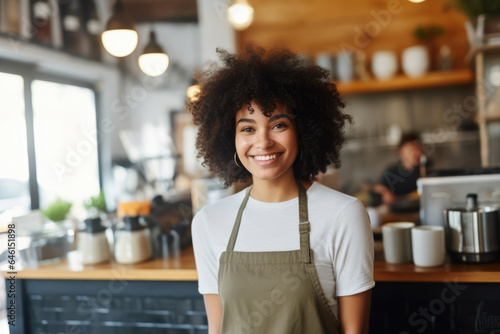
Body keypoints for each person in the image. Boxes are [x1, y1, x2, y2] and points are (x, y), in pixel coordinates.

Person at [188, 46, 374, 334]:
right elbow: (217, 328)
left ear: (304, 132)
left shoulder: (343, 214)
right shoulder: (208, 222)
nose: (263, 142)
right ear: (229, 139)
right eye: (247, 129)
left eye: (278, 124)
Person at [374, 132, 425, 205]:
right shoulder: (392, 170)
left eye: (417, 148)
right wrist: (385, 192)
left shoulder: (425, 170)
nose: (414, 152)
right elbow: (379, 187)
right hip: (396, 212)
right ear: (400, 151)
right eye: (410, 148)